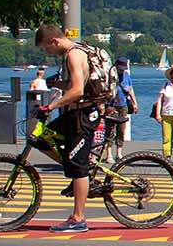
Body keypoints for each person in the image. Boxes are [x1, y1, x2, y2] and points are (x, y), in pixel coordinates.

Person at [30, 25, 113, 233]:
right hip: (75, 113)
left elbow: (77, 90)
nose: (47, 52)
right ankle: (77, 175)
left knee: (78, 166)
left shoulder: (73, 55)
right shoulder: (76, 51)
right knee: (41, 138)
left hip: (83, 116)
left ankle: (78, 218)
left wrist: (51, 106)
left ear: (54, 41)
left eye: (46, 48)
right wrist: (58, 83)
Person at [105, 59, 137, 159]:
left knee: (121, 129)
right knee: (110, 130)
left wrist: (134, 103)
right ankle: (109, 154)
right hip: (111, 105)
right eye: (121, 68)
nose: (122, 70)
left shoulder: (126, 75)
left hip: (123, 105)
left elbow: (130, 89)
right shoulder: (110, 75)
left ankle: (119, 153)